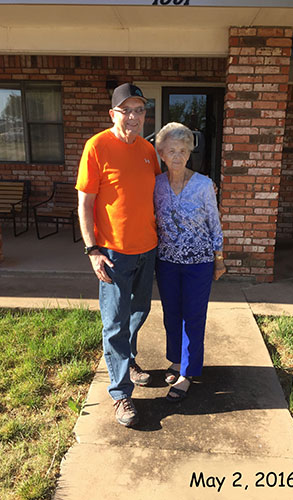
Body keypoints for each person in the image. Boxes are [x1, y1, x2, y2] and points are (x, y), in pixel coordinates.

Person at [76, 83, 160, 427]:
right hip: (112, 252)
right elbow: (85, 202)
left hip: (147, 248)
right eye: (127, 110)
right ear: (113, 114)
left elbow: (162, 189)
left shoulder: (147, 150)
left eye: (140, 110)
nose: (135, 117)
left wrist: (201, 184)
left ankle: (130, 359)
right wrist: (92, 249)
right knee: (114, 322)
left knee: (140, 309)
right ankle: (121, 393)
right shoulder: (97, 146)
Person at [154, 122, 225, 402]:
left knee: (193, 317)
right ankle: (175, 360)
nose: (177, 156)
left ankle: (188, 371)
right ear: (161, 153)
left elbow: (214, 224)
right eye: (171, 150)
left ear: (189, 153)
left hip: (199, 262)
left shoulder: (204, 185)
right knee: (172, 313)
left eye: (183, 150)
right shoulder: (156, 184)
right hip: (167, 261)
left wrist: (219, 260)